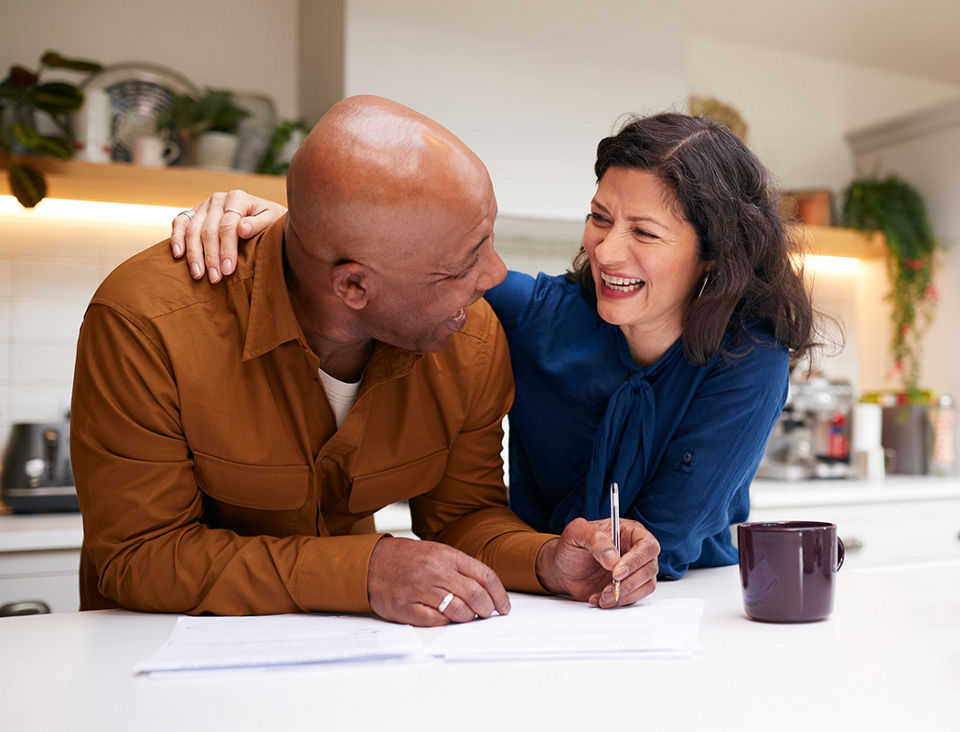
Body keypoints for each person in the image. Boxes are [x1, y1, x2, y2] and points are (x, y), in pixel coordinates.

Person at [70, 95, 659, 626]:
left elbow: (462, 517)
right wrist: (365, 572)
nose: (495, 276)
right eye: (461, 265)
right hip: (151, 661)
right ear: (353, 288)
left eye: (488, 239)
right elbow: (139, 555)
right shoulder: (146, 323)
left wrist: (548, 559)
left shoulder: (468, 336)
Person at [172, 113, 820, 579]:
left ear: (714, 256)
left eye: (644, 231)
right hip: (537, 586)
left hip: (676, 605)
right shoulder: (542, 317)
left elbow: (664, 543)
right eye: (600, 217)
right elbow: (405, 268)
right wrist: (287, 227)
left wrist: (617, 559)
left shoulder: (748, 362)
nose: (607, 249)